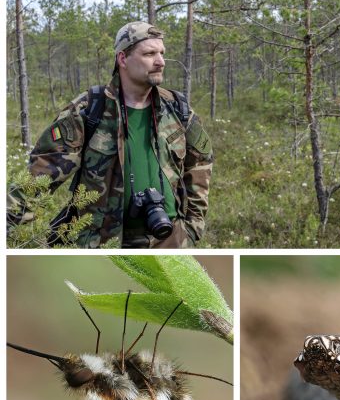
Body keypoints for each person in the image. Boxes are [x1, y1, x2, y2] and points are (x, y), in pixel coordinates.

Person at [8, 21, 212, 248]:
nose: (160, 62)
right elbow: (38, 180)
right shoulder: (89, 110)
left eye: (162, 53)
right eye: (149, 53)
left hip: (170, 242)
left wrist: (192, 229)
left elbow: (200, 165)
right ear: (123, 59)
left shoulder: (178, 109)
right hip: (103, 245)